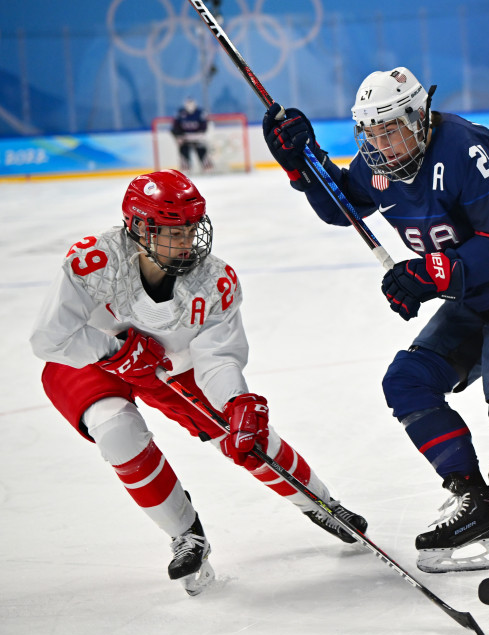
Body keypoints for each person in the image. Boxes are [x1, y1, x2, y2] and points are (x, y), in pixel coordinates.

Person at [260, 67, 489, 588]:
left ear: (420, 116)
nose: (380, 145)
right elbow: (342, 207)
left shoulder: (465, 148)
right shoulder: (381, 164)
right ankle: (476, 501)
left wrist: (428, 271)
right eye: (369, 134)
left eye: (390, 129)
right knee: (408, 381)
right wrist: (302, 165)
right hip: (475, 296)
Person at [29, 169, 367, 596]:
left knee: (243, 434)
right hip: (83, 360)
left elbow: (217, 357)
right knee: (114, 429)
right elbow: (49, 337)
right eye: (173, 230)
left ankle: (321, 502)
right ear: (137, 226)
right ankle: (184, 534)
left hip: (168, 363)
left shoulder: (214, 280)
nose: (188, 240)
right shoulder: (94, 260)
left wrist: (237, 399)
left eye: (192, 227)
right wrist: (113, 350)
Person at [171, 97, 213, 172]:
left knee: (203, 153)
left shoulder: (200, 113)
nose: (190, 106)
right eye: (188, 104)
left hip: (198, 138)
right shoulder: (180, 113)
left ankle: (207, 168)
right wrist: (178, 137)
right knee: (184, 154)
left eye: (191, 103)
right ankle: (185, 169)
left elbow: (206, 126)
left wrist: (203, 136)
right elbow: (174, 128)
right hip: (185, 139)